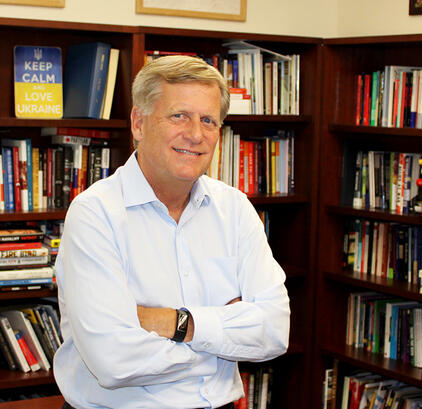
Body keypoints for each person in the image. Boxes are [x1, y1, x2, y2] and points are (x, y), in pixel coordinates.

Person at [53, 55, 291, 409]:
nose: (195, 134)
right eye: (179, 116)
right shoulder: (95, 213)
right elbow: (113, 361)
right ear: (138, 122)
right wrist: (223, 342)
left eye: (208, 120)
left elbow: (274, 332)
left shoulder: (235, 209)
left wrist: (175, 323)